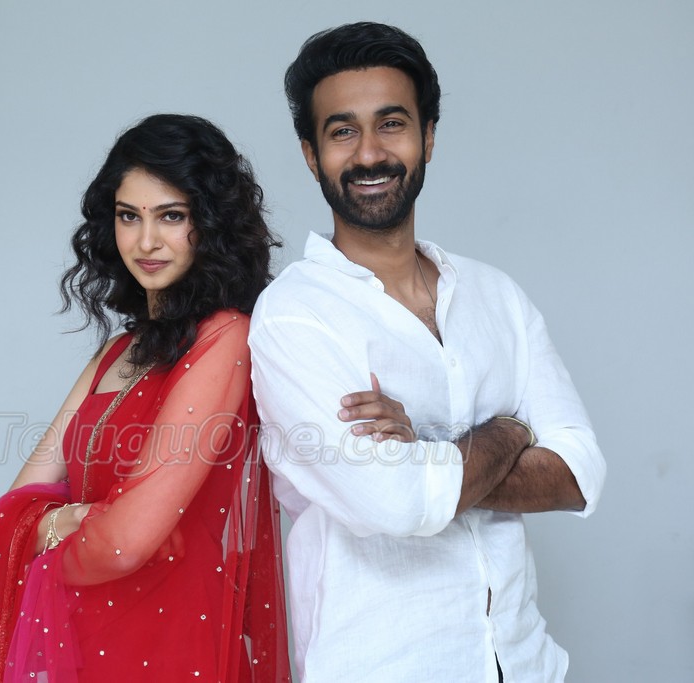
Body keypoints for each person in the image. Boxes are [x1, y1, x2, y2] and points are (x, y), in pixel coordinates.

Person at [248, 22, 607, 682]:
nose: (369, 153)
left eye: (392, 124)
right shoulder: (294, 316)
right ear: (310, 154)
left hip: (526, 663)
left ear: (429, 137)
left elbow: (579, 473)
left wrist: (425, 448)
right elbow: (396, 502)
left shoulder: (497, 296)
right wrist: (512, 429)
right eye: (342, 131)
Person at [0, 114, 290, 683]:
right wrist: (73, 520)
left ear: (212, 224)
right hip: (78, 646)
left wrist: (49, 529)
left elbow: (124, 544)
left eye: (172, 216)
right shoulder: (115, 353)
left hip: (171, 648)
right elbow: (9, 509)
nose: (146, 241)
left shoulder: (225, 337)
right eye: (129, 216)